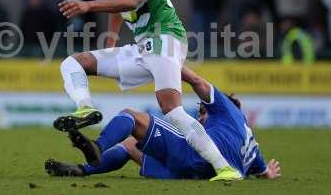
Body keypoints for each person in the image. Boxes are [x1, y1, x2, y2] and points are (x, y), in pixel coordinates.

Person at [55, 0, 240, 181]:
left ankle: (225, 168)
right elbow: (119, 4)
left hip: (166, 38)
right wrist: (110, 42)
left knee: (172, 111)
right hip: (143, 46)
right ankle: (85, 109)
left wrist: (87, 6)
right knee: (73, 63)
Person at [45, 74, 281, 181]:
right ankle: (81, 170)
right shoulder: (250, 142)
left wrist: (167, 66)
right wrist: (268, 173)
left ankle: (97, 146)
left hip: (192, 158)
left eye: (202, 112)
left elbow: (197, 81)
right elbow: (262, 172)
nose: (200, 117)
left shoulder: (225, 110)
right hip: (190, 175)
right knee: (129, 145)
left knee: (132, 118)